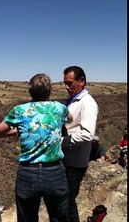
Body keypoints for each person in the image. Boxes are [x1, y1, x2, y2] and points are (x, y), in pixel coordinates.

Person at [0, 73, 73, 222]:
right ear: (49, 90)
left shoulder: (19, 110)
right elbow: (71, 119)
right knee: (60, 217)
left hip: (28, 172)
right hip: (55, 171)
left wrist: (17, 131)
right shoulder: (58, 107)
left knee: (27, 218)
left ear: (30, 91)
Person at [61, 66, 98, 222]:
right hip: (67, 159)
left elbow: (87, 134)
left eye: (70, 83)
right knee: (65, 202)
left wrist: (61, 142)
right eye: (65, 83)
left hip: (75, 163)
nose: (66, 87)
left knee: (68, 203)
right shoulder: (73, 100)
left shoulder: (88, 103)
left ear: (81, 81)